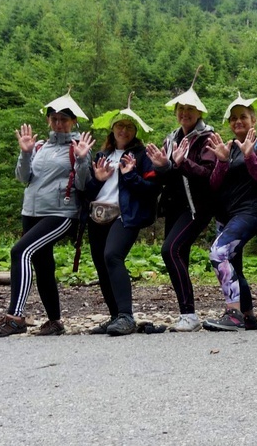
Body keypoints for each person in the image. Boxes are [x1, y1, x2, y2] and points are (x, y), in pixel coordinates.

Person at [0, 91, 93, 338]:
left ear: (74, 122)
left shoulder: (78, 148)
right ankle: (54, 321)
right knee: (43, 264)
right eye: (54, 118)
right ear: (48, 121)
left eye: (64, 119)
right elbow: (24, 178)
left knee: (20, 251)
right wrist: (26, 153)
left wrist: (84, 160)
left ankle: (15, 318)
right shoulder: (40, 146)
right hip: (31, 211)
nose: (59, 123)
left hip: (61, 214)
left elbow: (84, 185)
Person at [146, 83, 217, 332]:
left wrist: (183, 163)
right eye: (181, 108)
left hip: (197, 206)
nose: (184, 113)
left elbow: (209, 175)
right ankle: (187, 314)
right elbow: (167, 175)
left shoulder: (208, 138)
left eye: (190, 109)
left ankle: (189, 314)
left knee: (170, 250)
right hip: (175, 206)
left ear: (199, 113)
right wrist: (164, 166)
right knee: (179, 255)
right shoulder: (171, 138)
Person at [202, 93, 257, 331]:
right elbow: (214, 185)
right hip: (226, 215)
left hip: (249, 212)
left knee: (218, 253)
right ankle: (248, 315)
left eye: (243, 117)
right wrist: (222, 161)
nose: (237, 122)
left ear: (253, 120)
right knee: (234, 265)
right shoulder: (228, 147)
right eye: (233, 118)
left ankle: (232, 313)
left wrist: (250, 155)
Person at [86, 99, 160, 336]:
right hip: (98, 215)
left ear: (135, 131)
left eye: (129, 127)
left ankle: (126, 316)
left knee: (112, 256)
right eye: (120, 125)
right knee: (102, 265)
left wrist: (129, 176)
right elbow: (87, 192)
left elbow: (151, 189)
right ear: (113, 128)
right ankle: (115, 316)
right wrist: (97, 178)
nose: (124, 130)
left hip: (126, 215)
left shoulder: (141, 155)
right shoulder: (102, 154)